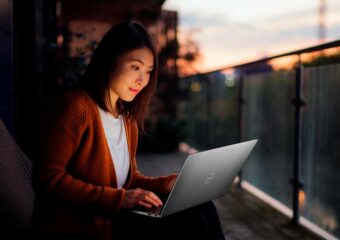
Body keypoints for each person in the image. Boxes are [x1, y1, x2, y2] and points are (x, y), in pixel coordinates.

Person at [31, 20, 225, 240]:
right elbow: (47, 179)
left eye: (148, 71)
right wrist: (119, 199)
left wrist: (167, 183)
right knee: (191, 223)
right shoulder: (75, 107)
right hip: (84, 226)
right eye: (135, 67)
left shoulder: (126, 117)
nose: (142, 80)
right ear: (110, 60)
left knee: (203, 206)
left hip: (115, 218)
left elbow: (128, 180)